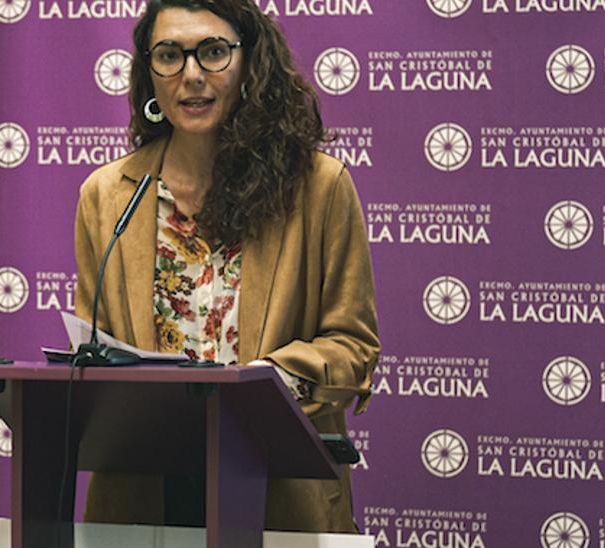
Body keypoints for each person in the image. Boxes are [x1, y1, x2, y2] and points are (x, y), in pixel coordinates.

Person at [72, 0, 379, 533]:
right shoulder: (106, 196)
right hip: (144, 496)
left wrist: (270, 384)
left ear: (250, 62)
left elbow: (353, 346)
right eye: (169, 55)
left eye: (213, 52)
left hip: (276, 491)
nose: (191, 75)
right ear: (149, 71)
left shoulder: (319, 186)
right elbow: (94, 352)